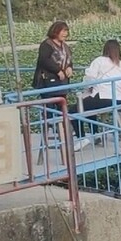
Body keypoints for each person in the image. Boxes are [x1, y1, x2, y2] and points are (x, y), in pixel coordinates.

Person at [33, 21, 84, 150]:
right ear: (56, 31)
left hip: (62, 83)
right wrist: (57, 70)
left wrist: (69, 68)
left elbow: (68, 60)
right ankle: (54, 129)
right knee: (49, 108)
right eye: (63, 31)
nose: (65, 34)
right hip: (48, 82)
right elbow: (44, 60)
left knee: (63, 107)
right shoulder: (46, 45)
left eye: (67, 31)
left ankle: (65, 132)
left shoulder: (65, 46)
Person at [80, 39, 121, 137]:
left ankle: (83, 136)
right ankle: (95, 134)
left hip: (102, 98)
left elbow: (90, 78)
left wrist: (89, 87)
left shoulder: (99, 61)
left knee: (75, 110)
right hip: (118, 100)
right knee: (89, 106)